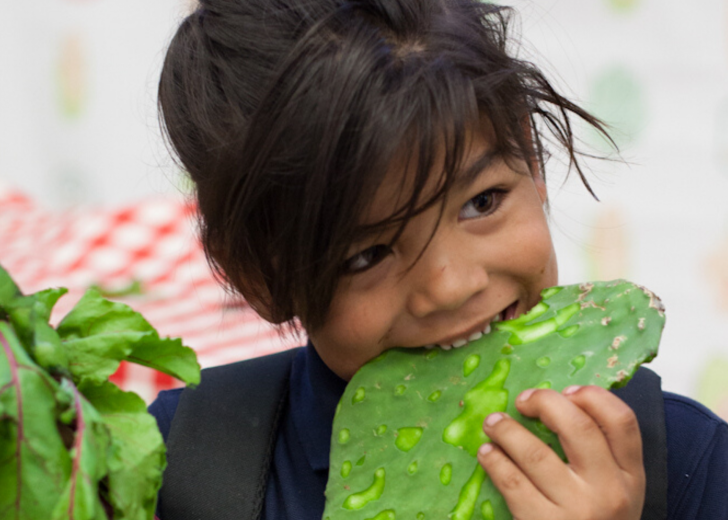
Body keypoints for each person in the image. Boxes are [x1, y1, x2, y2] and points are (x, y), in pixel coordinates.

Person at [149, 0, 728, 518]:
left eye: (483, 202)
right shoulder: (174, 470)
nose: (451, 286)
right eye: (367, 254)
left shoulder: (691, 465)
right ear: (261, 277)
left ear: (530, 158)